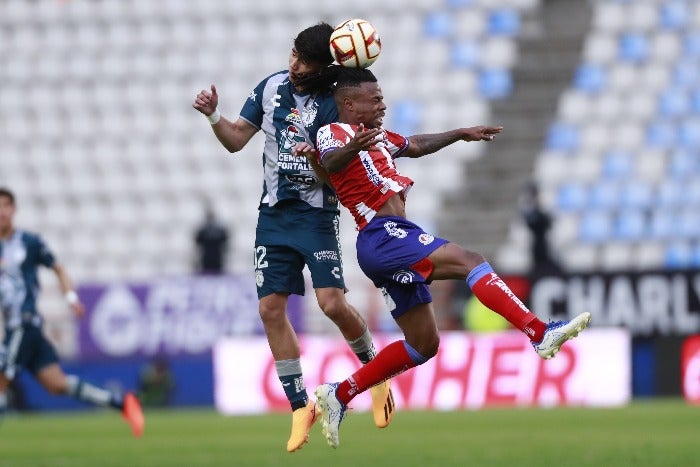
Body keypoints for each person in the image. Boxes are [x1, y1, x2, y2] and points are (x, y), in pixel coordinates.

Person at [292, 68, 591, 448]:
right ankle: (539, 332)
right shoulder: (334, 133)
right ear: (350, 104)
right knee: (469, 259)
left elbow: (415, 144)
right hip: (381, 236)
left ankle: (340, 394)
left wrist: (459, 134)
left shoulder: (378, 137)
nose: (382, 104)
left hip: (387, 241)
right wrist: (355, 146)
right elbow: (331, 162)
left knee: (423, 344)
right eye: (375, 98)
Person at [192, 23, 393, 452]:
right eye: (293, 54)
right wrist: (212, 114)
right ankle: (301, 405)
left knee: (332, 303)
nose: (293, 63)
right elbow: (234, 141)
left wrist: (320, 157)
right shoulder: (269, 89)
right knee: (269, 308)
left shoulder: (335, 101)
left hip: (317, 214)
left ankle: (376, 373)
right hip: (273, 216)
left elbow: (339, 164)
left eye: (304, 60)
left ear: (323, 67)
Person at [0, 187, 144, 437]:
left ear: (14, 209)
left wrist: (70, 297)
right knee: (56, 384)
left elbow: (59, 269)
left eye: (5, 206)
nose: (1, 212)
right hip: (18, 327)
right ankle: (123, 403)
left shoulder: (29, 243)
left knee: (2, 380)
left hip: (24, 323)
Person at [520, 182, 561, 274]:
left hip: (544, 244)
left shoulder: (544, 205)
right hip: (537, 244)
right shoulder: (529, 208)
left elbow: (548, 222)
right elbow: (529, 223)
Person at [194, 203, 230, 274]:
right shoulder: (219, 230)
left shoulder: (203, 230)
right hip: (213, 257)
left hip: (211, 257)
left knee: (210, 275)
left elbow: (198, 241)